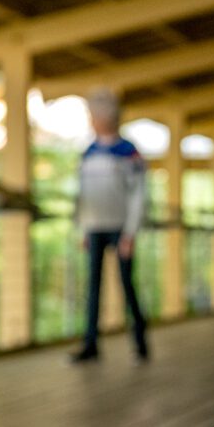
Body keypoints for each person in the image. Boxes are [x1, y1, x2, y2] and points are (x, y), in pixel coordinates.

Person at [70, 87, 150, 364]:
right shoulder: (88, 152)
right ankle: (90, 343)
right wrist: (82, 227)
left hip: (120, 227)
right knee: (93, 287)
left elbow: (138, 195)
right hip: (94, 227)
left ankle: (140, 340)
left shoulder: (128, 152)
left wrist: (130, 232)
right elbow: (82, 194)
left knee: (127, 284)